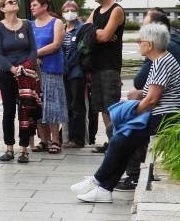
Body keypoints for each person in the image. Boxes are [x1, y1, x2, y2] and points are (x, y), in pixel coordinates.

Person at [71, 23, 180, 203]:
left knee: (120, 136)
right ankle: (103, 186)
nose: (138, 43)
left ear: (150, 44)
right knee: (121, 139)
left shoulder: (162, 62)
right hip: (160, 115)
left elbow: (152, 100)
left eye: (140, 40)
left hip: (163, 117)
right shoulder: (161, 60)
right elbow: (153, 93)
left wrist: (131, 113)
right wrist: (139, 96)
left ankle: (99, 182)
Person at [117, 11, 180, 191]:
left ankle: (132, 176)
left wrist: (129, 113)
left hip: (166, 115)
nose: (139, 38)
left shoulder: (163, 57)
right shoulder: (164, 53)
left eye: (144, 26)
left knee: (122, 128)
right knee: (120, 129)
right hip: (165, 112)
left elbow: (150, 97)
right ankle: (108, 179)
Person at [0, 0, 38, 164]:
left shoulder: (26, 24)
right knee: (9, 110)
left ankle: (24, 149)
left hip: (26, 73)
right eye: (10, 2)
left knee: (26, 110)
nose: (14, 3)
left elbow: (34, 50)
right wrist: (13, 69)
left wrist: (25, 66)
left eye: (15, 1)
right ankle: (9, 148)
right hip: (7, 73)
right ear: (2, 9)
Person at [87, 0, 125, 152]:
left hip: (110, 65)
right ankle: (112, 142)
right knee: (102, 106)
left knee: (112, 106)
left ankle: (117, 142)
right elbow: (84, 31)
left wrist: (97, 34)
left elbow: (103, 36)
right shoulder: (95, 11)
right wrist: (99, 33)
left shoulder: (116, 10)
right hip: (95, 65)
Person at [30, 0, 68, 154]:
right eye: (31, 5)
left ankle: (55, 140)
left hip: (51, 68)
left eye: (35, 5)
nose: (32, 7)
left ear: (44, 6)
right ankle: (43, 140)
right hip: (34, 71)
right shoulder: (30, 25)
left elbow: (56, 44)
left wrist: (36, 53)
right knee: (37, 104)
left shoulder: (56, 22)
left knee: (52, 104)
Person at [61, 0, 87, 148]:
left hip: (76, 72)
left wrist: (67, 65)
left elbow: (80, 50)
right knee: (68, 105)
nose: (69, 12)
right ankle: (69, 137)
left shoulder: (82, 29)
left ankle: (78, 138)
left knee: (77, 105)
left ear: (77, 12)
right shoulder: (62, 28)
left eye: (72, 9)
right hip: (63, 72)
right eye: (66, 10)